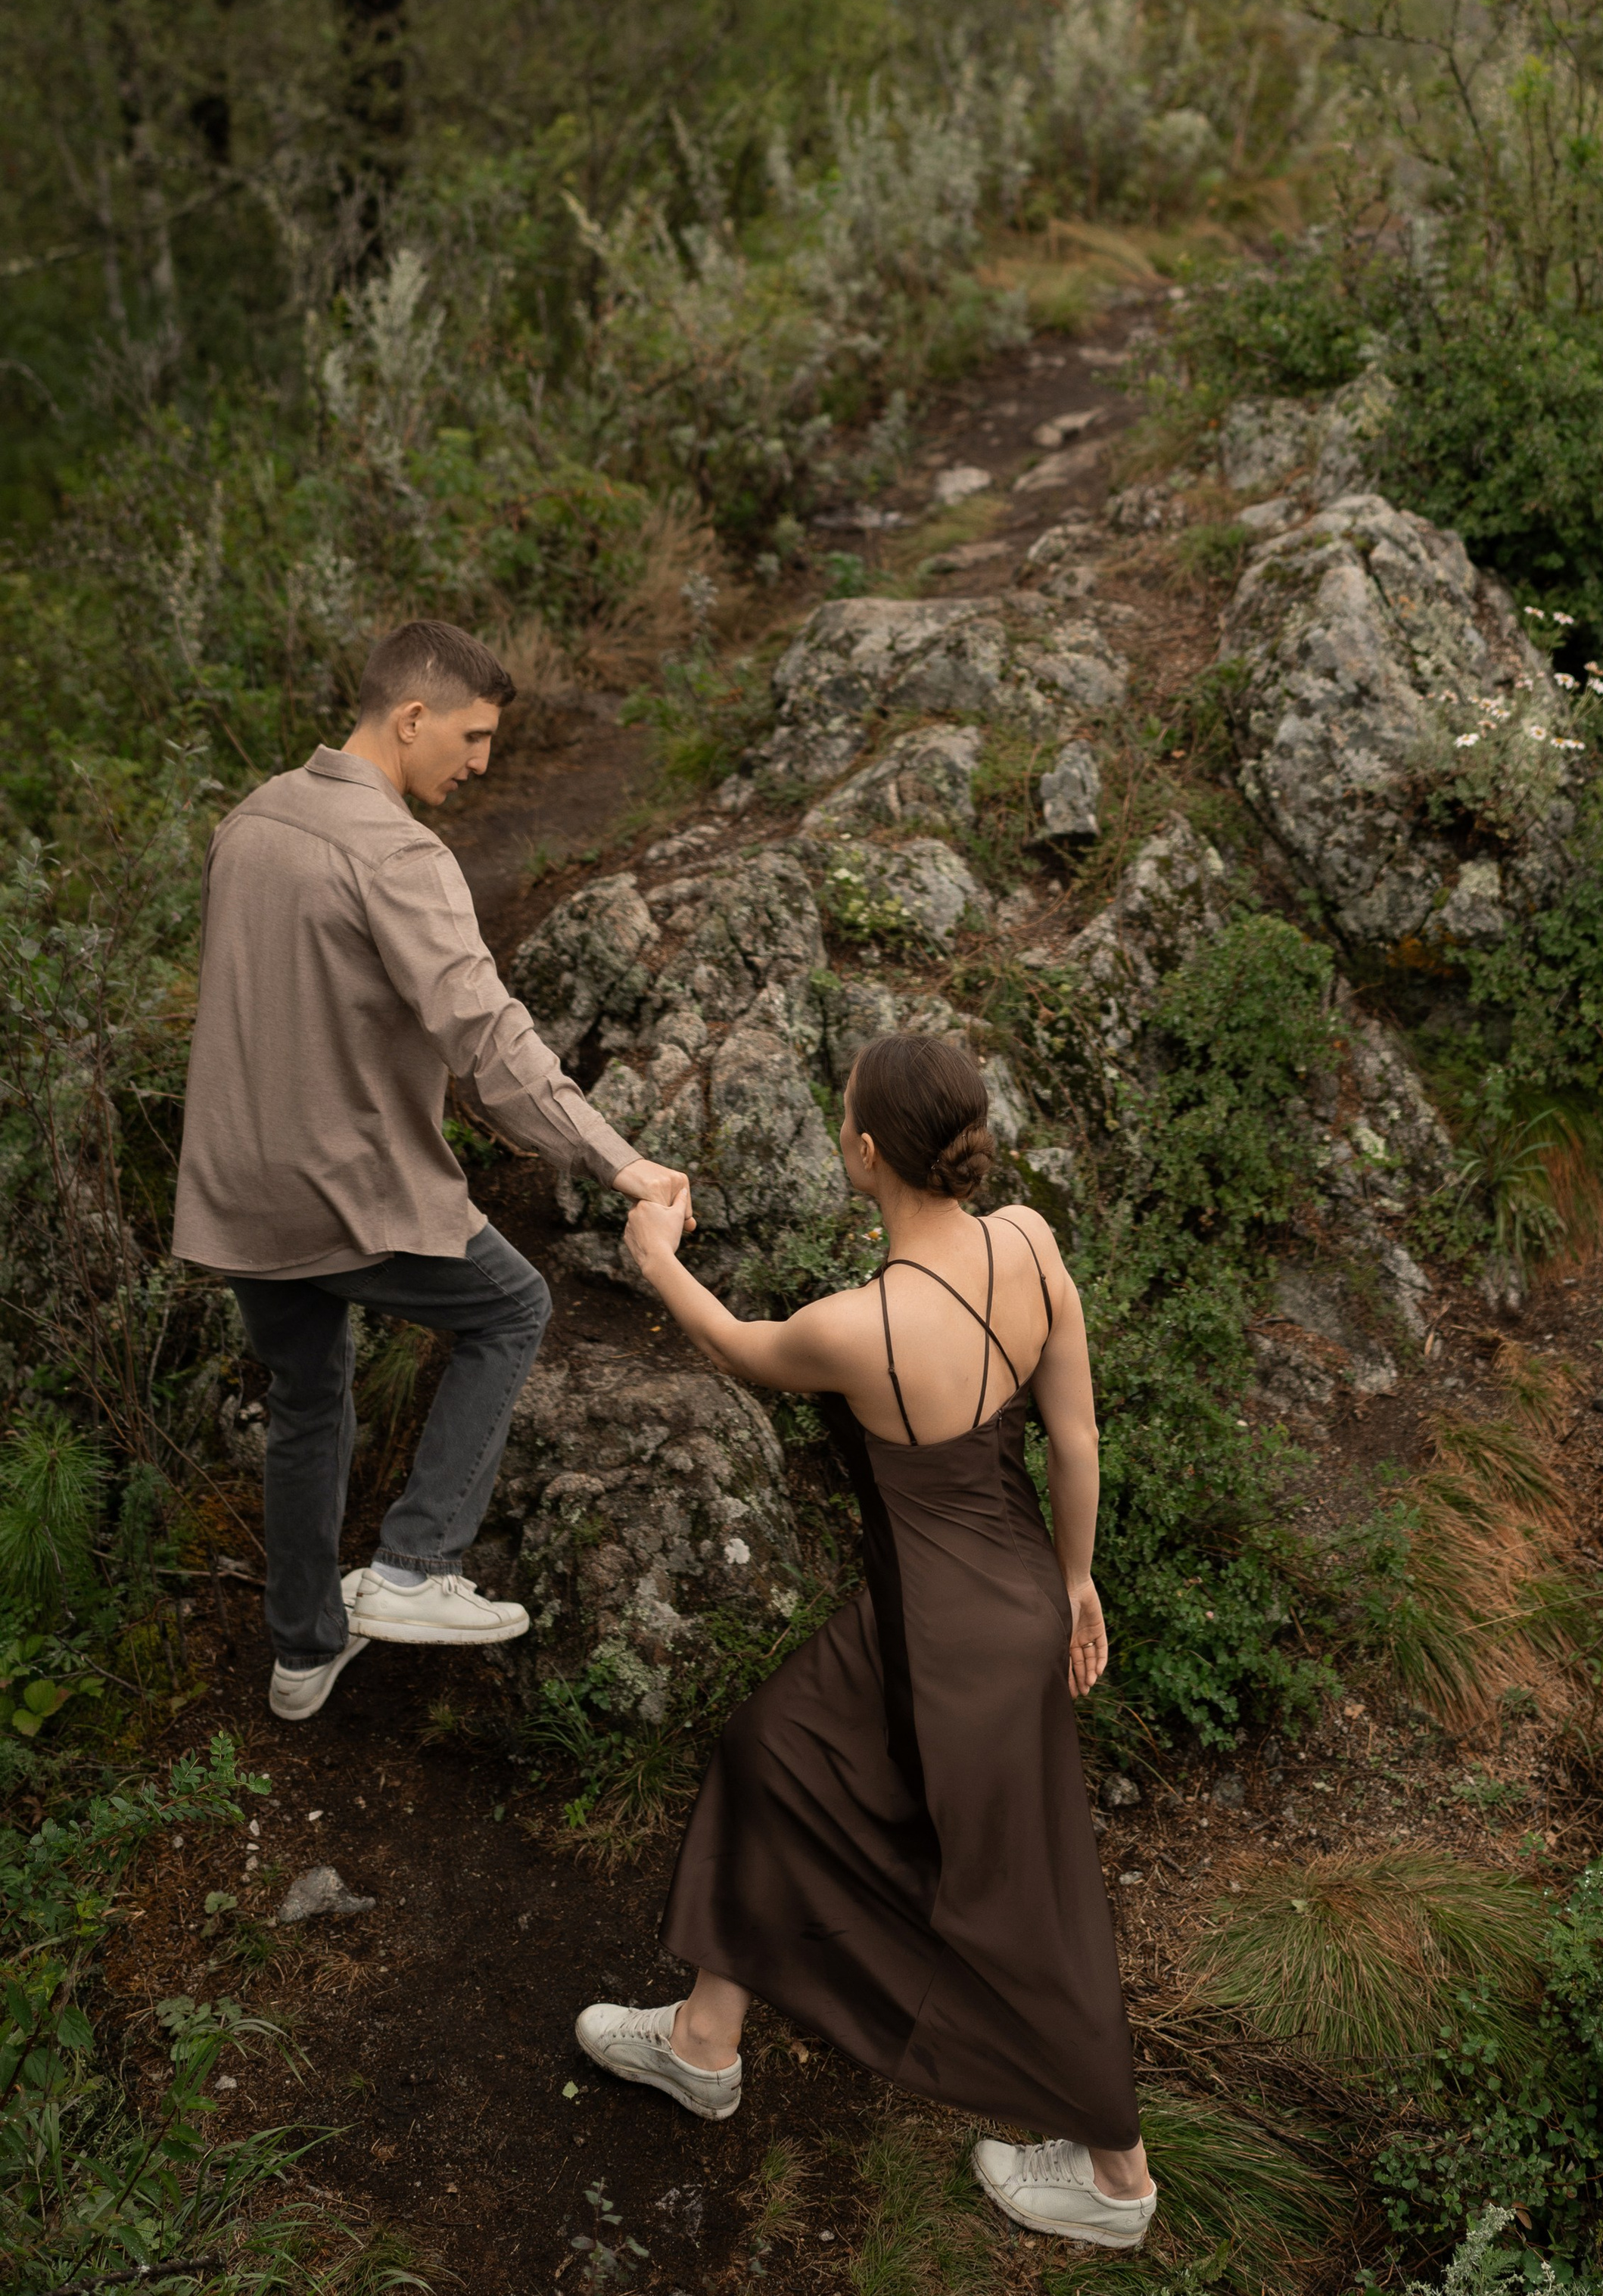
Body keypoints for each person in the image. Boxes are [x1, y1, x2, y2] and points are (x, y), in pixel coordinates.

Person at [574, 1030, 1155, 2256]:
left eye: (845, 1115)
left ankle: (1118, 2178)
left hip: (936, 1639)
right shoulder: (1032, 1240)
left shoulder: (863, 1326)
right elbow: (1078, 1440)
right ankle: (704, 2042)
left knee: (1020, 1899)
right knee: (775, 1749)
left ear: (868, 1149)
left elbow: (733, 1343)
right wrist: (1076, 1580)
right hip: (1003, 1604)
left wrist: (653, 1254)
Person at [173, 619, 690, 1725]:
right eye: (474, 734)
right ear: (411, 717)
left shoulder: (248, 819)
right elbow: (487, 1034)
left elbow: (299, 998)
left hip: (234, 1193)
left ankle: (301, 1655)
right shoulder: (398, 852)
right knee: (512, 1305)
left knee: (309, 1400)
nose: (482, 761)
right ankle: (414, 1567)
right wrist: (619, 1160)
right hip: (343, 1191)